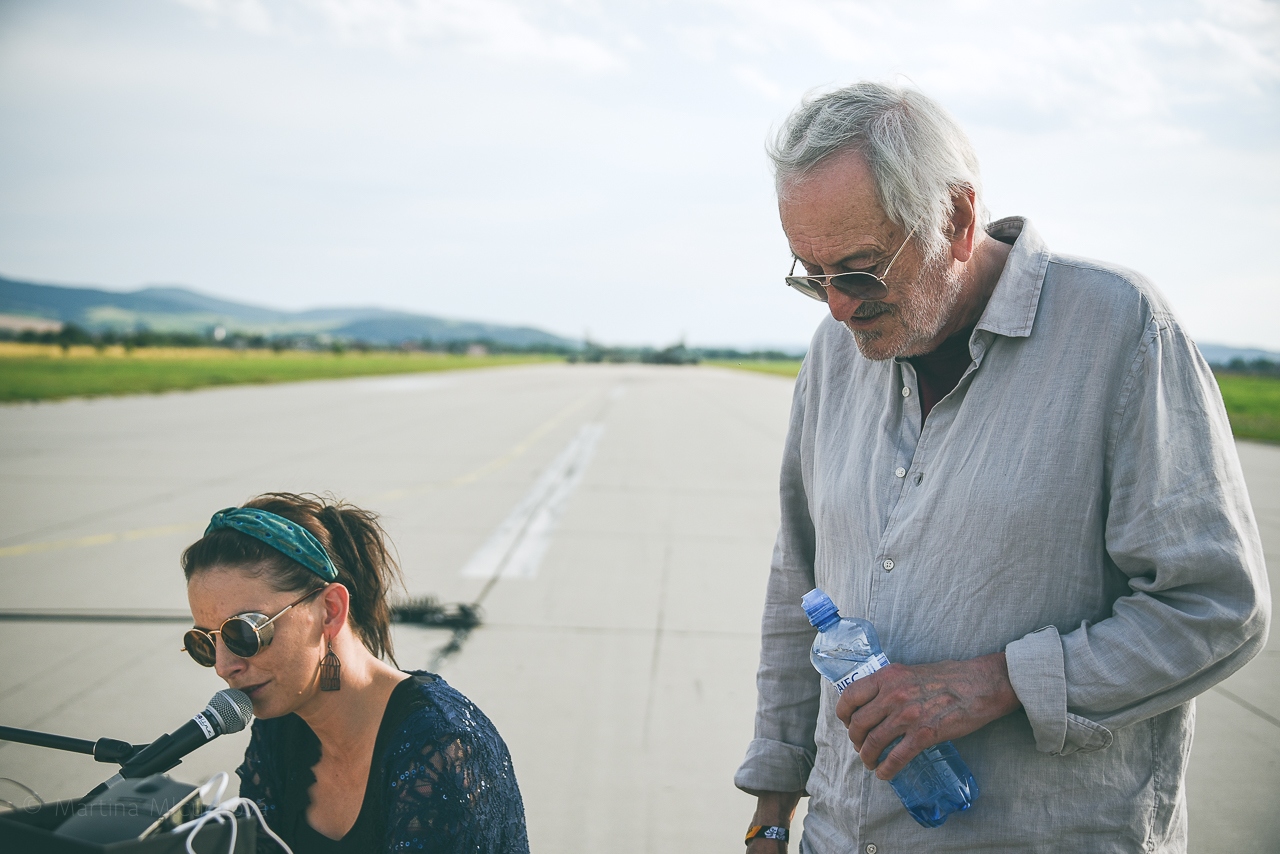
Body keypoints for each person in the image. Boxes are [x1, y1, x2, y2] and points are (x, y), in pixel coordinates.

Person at [735, 82, 1270, 852]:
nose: (838, 308)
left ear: (956, 220)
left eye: (858, 271)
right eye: (811, 276)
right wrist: (771, 811)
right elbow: (800, 587)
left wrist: (1002, 682)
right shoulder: (832, 356)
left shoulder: (1120, 331)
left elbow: (1216, 605)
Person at [180, 492, 530, 854]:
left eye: (244, 633)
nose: (223, 666)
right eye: (205, 642)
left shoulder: (441, 747)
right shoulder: (278, 729)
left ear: (330, 610)